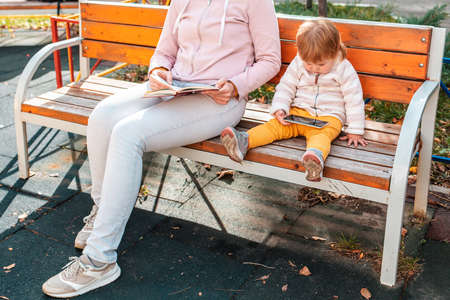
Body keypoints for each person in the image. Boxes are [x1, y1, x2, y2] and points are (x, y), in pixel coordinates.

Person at [42, 0, 281, 297]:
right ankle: (102, 211)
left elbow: (270, 60)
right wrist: (158, 70)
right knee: (102, 116)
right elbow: (165, 51)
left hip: (219, 100)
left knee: (129, 134)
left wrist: (234, 85)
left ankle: (99, 260)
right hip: (175, 87)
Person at [221, 19, 367, 182]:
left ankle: (315, 159)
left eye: (320, 64)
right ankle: (244, 141)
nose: (313, 68)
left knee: (321, 137)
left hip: (329, 118)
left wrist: (355, 130)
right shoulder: (298, 63)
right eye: (309, 64)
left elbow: (353, 98)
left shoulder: (343, 68)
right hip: (299, 113)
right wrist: (281, 108)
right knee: (275, 127)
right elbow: (286, 86)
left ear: (334, 52)